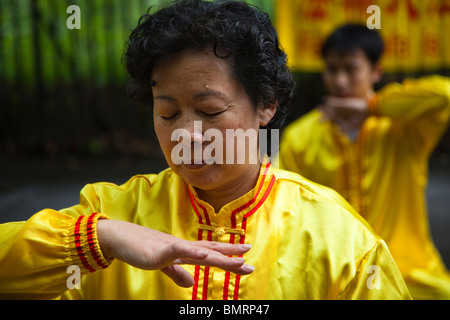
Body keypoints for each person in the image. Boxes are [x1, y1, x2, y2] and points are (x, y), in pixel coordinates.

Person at [0, 1, 410, 300]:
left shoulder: (340, 238)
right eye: (168, 113)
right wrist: (101, 238)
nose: (187, 135)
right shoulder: (110, 213)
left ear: (266, 104)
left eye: (210, 110)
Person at [278, 23, 450, 299]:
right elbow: (287, 213)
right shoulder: (301, 137)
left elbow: (445, 94)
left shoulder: (403, 128)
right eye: (332, 69)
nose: (341, 80)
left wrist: (372, 107)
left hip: (410, 272)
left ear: (376, 71)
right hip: (338, 276)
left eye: (351, 69)